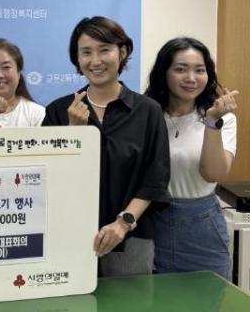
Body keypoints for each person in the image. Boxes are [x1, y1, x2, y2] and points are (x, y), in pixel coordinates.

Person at [42, 16, 170, 277]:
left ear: (122, 53)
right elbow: (49, 177)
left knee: (129, 298)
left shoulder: (148, 111)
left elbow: (155, 179)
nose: (95, 61)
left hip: (130, 237)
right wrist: (73, 136)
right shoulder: (58, 111)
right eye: (86, 52)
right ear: (77, 59)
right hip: (69, 235)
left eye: (104, 50)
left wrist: (123, 224)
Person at [145, 37, 237, 279]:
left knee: (207, 296)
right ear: (164, 73)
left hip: (202, 226)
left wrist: (212, 121)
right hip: (152, 223)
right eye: (180, 69)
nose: (191, 78)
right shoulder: (148, 116)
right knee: (156, 298)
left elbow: (213, 173)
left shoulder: (222, 119)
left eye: (199, 70)